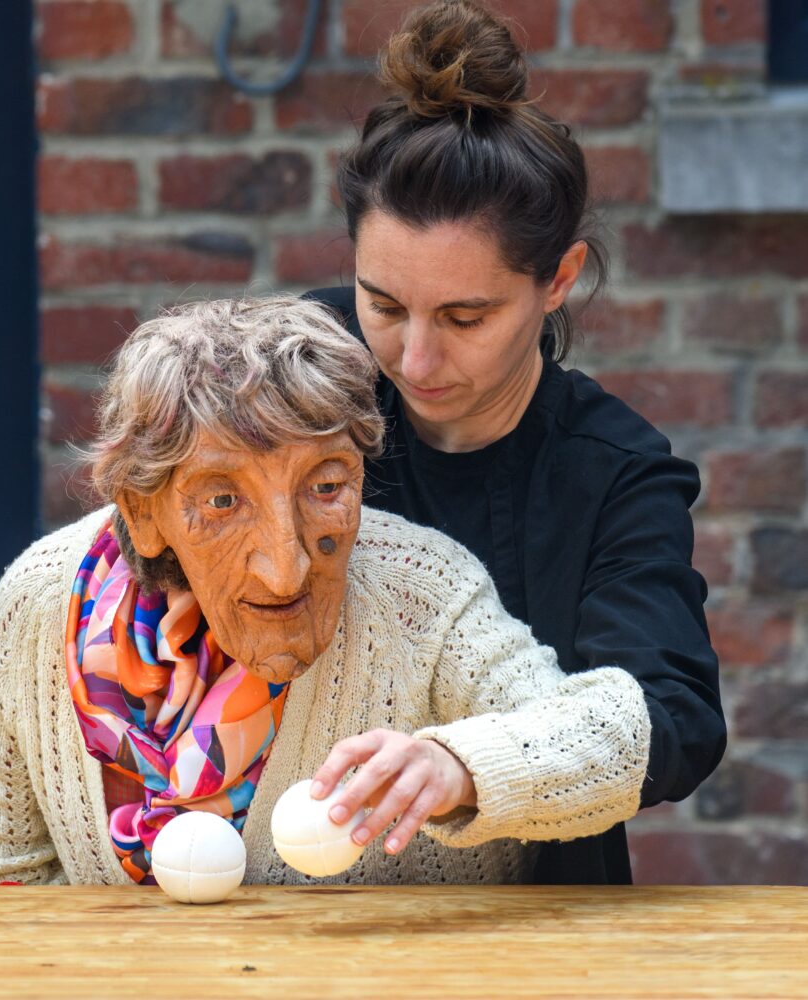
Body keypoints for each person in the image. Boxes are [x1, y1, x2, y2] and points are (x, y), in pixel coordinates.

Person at [0, 296, 652, 886]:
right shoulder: (39, 604)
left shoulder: (423, 593)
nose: (284, 571)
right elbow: (3, 882)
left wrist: (459, 765)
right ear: (144, 510)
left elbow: (613, 741)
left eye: (325, 487)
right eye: (223, 500)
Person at [304, 0, 725, 883]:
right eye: (383, 304)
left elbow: (671, 714)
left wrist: (465, 766)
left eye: (466, 316)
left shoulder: (616, 475)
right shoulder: (297, 375)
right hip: (296, 904)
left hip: (542, 908)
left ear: (559, 278)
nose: (413, 358)